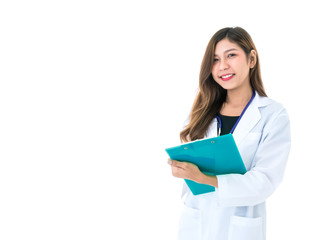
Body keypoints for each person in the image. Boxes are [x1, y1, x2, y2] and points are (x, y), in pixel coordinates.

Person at [168, 27, 291, 240]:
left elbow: (265, 181)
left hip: (240, 227)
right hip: (196, 223)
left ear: (251, 59)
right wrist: (182, 169)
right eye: (215, 60)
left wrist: (205, 178)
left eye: (231, 55)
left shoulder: (273, 114)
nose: (222, 66)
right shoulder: (200, 111)